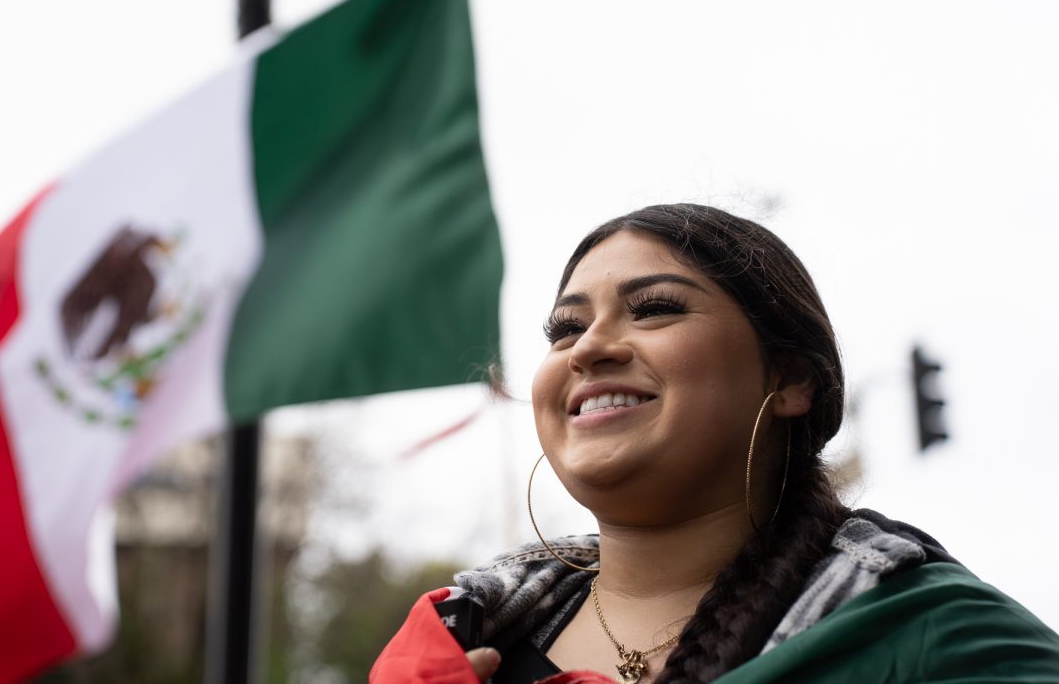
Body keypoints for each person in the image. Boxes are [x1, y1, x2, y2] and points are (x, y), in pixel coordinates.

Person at [371, 204, 1059, 684]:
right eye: (565, 330)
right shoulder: (464, 640)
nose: (590, 349)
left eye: (656, 309)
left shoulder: (932, 635)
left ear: (790, 379)